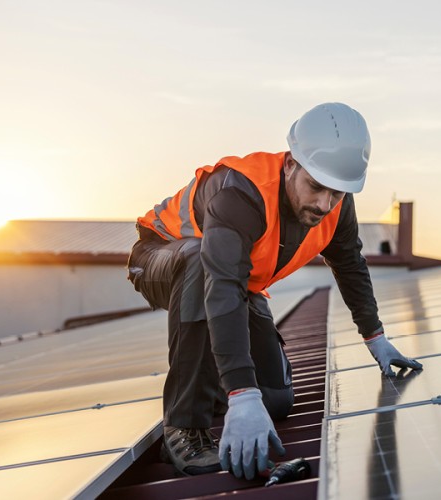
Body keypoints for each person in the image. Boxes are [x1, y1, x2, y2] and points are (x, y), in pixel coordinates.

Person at [126, 102, 422, 480]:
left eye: (336, 194)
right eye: (315, 187)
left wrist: (375, 337)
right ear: (290, 165)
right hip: (162, 257)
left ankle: (212, 384)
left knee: (276, 401)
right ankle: (184, 428)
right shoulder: (240, 193)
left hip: (233, 278)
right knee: (202, 266)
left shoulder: (335, 206)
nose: (324, 204)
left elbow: (350, 265)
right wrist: (241, 393)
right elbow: (222, 288)